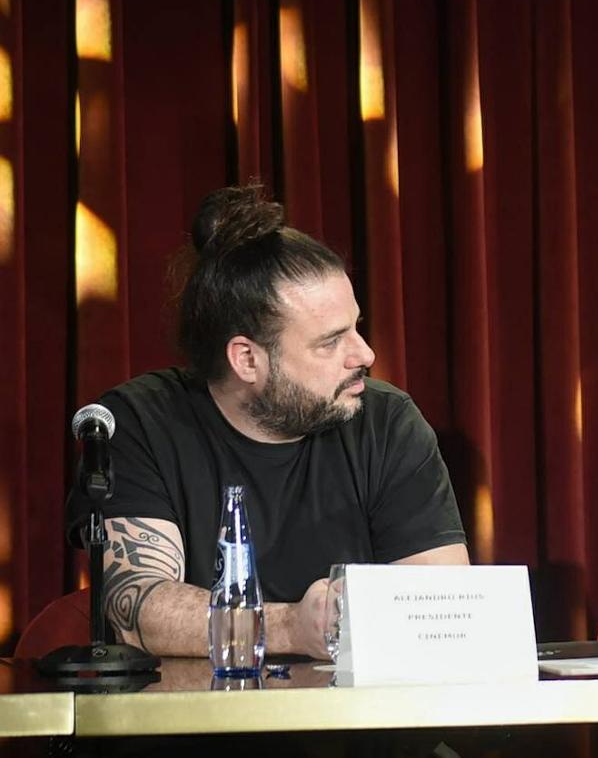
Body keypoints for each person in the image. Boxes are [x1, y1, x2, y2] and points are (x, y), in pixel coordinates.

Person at [65, 185, 468, 659]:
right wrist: (292, 628)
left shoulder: (387, 422)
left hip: (360, 729)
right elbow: (141, 610)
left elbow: (444, 607)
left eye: (356, 327)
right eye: (330, 341)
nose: (365, 354)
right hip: (195, 727)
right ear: (247, 360)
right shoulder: (139, 424)